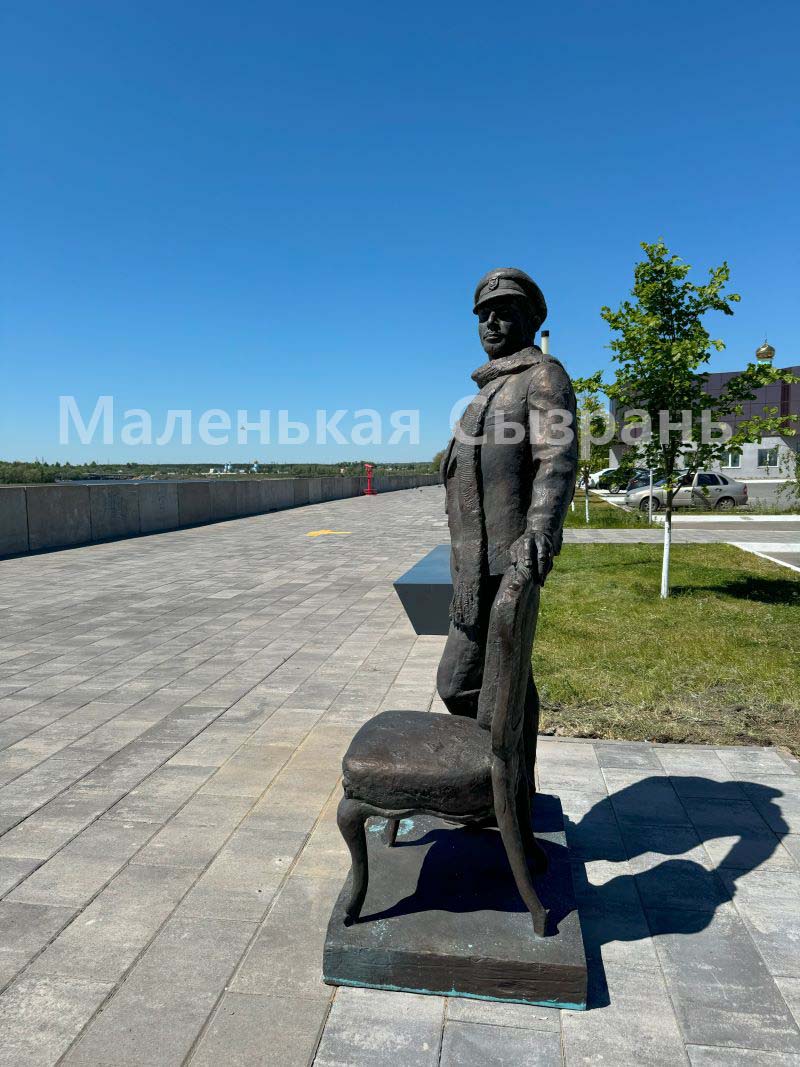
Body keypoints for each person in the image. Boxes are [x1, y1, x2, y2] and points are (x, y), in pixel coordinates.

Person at [436, 268, 577, 744]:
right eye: (484, 316)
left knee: (463, 683)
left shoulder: (542, 376)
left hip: (507, 560)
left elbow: (555, 458)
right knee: (507, 681)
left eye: (504, 314)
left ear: (532, 321)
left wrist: (540, 530)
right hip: (475, 566)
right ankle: (511, 778)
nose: (491, 324)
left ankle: (497, 772)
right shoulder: (488, 390)